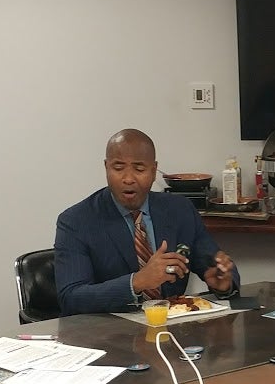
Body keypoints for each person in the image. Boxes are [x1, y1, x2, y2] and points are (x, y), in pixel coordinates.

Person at [55, 128, 238, 315]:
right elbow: (71, 298)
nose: (128, 178)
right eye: (118, 168)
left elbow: (215, 265)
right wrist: (137, 282)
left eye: (139, 169)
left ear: (153, 170)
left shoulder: (180, 210)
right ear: (106, 167)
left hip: (171, 331)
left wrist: (222, 284)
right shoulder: (76, 221)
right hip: (108, 334)